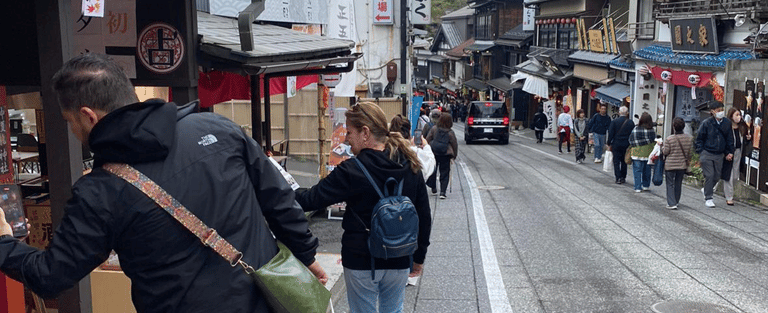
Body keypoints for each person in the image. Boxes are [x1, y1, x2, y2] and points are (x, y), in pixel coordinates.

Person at [0, 53, 326, 313]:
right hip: (261, 301)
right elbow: (279, 198)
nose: (74, 131)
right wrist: (306, 256)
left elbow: (51, 276)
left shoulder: (100, 191)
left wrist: (3, 242)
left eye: (70, 122)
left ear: (88, 116)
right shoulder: (217, 128)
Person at [295, 101, 431, 313]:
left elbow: (311, 199)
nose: (347, 139)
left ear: (365, 133)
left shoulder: (352, 170)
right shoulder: (409, 163)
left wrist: (280, 189)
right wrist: (419, 257)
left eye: (349, 132)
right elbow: (423, 214)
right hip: (400, 256)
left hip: (361, 259)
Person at [695, 100, 734, 208]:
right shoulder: (706, 123)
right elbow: (699, 139)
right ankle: (709, 198)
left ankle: (706, 189)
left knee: (717, 176)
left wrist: (729, 152)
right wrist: (701, 151)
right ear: (712, 111)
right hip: (707, 153)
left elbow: (729, 139)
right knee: (710, 175)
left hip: (719, 154)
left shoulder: (727, 123)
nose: (721, 112)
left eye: (722, 110)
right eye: (718, 110)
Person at [662, 117, 694, 209]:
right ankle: (676, 201)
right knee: (678, 183)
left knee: (670, 184)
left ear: (673, 127)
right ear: (683, 127)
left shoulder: (669, 139)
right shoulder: (689, 138)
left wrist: (662, 147)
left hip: (670, 165)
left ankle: (671, 203)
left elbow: (665, 152)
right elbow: (690, 153)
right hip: (682, 165)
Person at [425, 112, 458, 199]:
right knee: (445, 172)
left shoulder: (434, 129)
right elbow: (454, 144)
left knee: (433, 170)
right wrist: (454, 155)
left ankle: (433, 187)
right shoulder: (450, 132)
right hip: (445, 154)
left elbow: (427, 139)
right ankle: (442, 192)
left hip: (434, 152)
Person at [723, 107, 748, 206]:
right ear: (731, 116)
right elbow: (723, 141)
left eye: (739, 115)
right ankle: (729, 198)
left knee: (735, 176)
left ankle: (711, 188)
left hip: (739, 153)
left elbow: (745, 141)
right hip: (729, 153)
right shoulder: (727, 127)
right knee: (729, 175)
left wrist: (748, 138)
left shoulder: (742, 127)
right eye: (736, 115)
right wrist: (726, 153)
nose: (739, 117)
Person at [628, 112, 656, 192]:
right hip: (648, 153)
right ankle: (646, 185)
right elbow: (653, 141)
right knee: (647, 171)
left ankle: (637, 187)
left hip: (636, 153)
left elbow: (630, 140)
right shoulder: (651, 130)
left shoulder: (636, 129)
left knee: (637, 171)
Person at [607, 106, 634, 184]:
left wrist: (609, 143)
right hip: (626, 144)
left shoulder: (614, 122)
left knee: (616, 161)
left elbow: (611, 133)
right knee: (624, 161)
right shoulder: (630, 122)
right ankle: (623, 177)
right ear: (627, 113)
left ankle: (618, 177)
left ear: (619, 112)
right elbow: (632, 134)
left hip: (616, 143)